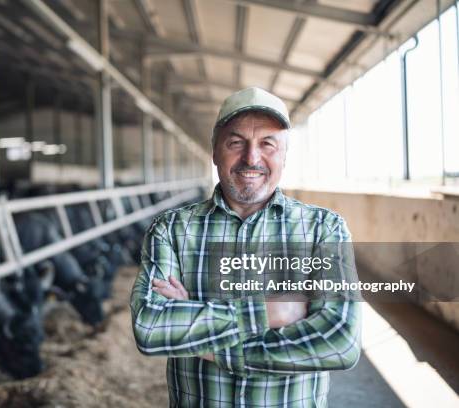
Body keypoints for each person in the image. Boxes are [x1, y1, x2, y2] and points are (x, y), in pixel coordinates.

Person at [130, 86, 361, 407]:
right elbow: (151, 328)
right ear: (214, 151)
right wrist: (270, 312)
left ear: (284, 154)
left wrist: (207, 345)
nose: (251, 157)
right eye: (236, 142)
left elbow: (340, 343)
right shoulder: (170, 229)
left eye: (267, 143)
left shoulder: (324, 229)